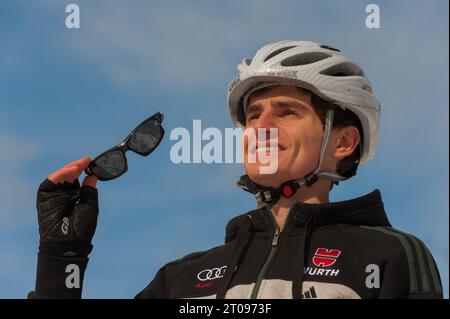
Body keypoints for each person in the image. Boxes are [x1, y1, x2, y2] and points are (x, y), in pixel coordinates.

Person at [29, 40, 442, 299]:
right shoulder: (182, 278)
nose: (260, 127)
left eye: (287, 112)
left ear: (343, 141)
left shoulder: (389, 255)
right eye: (253, 115)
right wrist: (61, 258)